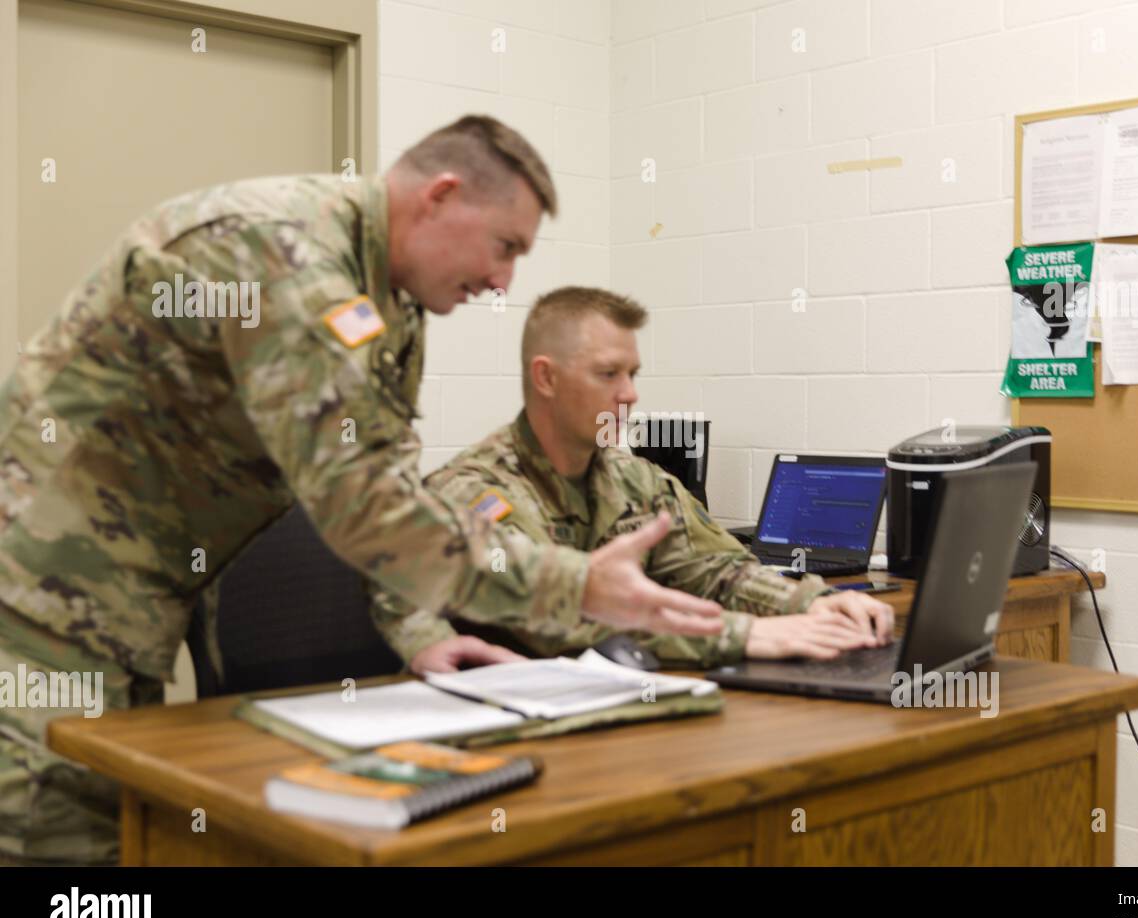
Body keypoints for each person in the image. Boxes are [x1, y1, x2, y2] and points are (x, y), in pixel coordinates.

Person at [0, 116, 720, 865]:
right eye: (505, 246)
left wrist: (422, 636)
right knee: (53, 848)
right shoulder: (288, 255)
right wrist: (580, 586)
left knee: (115, 844)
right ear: (442, 195)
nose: (505, 280)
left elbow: (391, 483)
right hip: (41, 587)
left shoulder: (391, 299)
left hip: (133, 590)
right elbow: (365, 511)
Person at [370, 286, 895, 674]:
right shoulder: (478, 492)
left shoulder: (634, 479)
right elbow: (564, 621)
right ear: (546, 378)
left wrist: (809, 604)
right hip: (501, 719)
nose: (630, 394)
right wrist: (746, 633)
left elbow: (715, 570)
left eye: (633, 374)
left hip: (617, 701)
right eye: (608, 374)